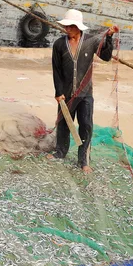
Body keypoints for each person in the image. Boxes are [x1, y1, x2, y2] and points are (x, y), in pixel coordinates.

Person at [49, 9, 119, 173]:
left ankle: (84, 160)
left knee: (86, 125)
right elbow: (56, 70)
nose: (67, 30)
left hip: (85, 94)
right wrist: (58, 92)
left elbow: (106, 56)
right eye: (66, 26)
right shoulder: (59, 44)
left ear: (78, 27)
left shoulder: (90, 42)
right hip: (65, 94)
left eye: (71, 27)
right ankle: (60, 152)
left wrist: (109, 37)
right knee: (64, 124)